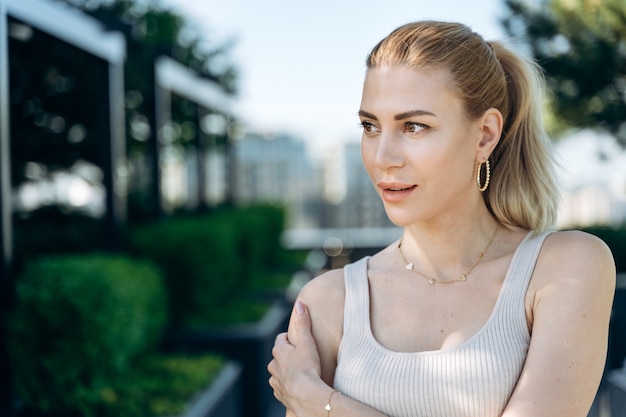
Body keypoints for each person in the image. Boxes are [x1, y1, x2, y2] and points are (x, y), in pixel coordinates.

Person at [267, 20, 616, 417]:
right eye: (370, 126)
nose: (383, 157)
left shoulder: (565, 267)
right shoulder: (329, 301)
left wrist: (321, 402)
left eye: (414, 126)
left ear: (485, 135)